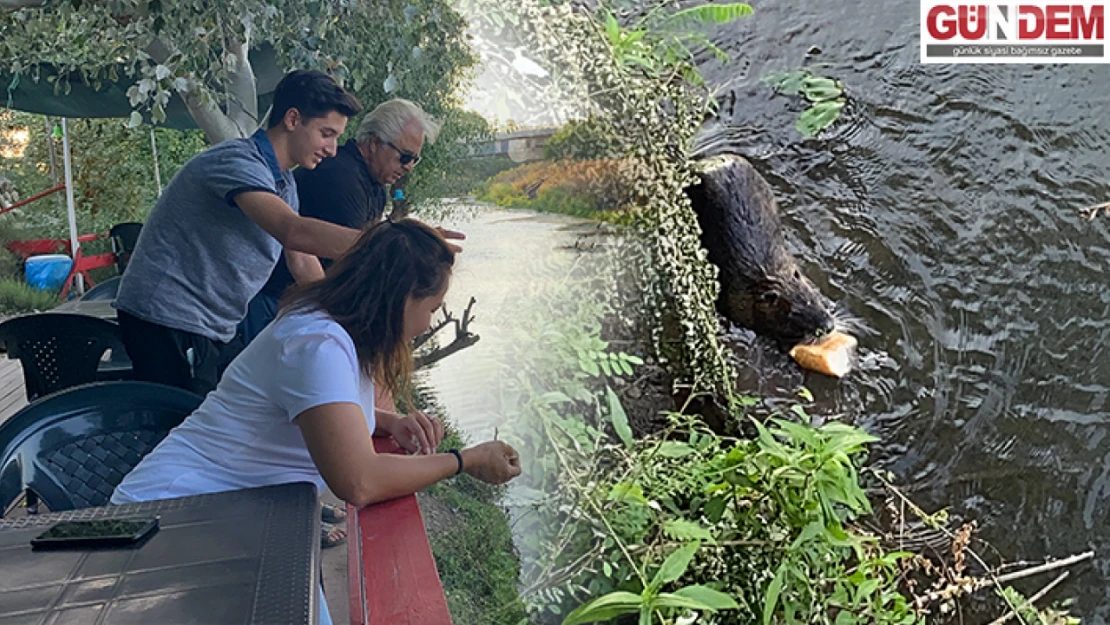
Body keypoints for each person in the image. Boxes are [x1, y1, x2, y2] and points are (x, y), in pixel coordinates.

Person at [111, 219, 523, 625]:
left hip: (232, 516)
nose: (428, 324)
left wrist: (386, 422)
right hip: (172, 518)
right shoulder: (318, 344)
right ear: (399, 299)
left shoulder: (333, 326)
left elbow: (314, 406)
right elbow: (360, 481)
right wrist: (465, 460)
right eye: (430, 308)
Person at [114, 69, 364, 397]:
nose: (332, 149)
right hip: (167, 317)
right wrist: (389, 244)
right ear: (292, 119)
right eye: (326, 133)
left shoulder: (284, 183)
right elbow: (292, 232)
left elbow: (302, 260)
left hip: (213, 325)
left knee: (235, 409)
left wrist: (339, 323)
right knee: (182, 429)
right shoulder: (237, 160)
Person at [240, 98, 445, 343]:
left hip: (301, 303)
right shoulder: (341, 178)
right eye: (405, 157)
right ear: (374, 143)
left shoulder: (374, 186)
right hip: (274, 303)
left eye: (415, 160)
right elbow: (361, 263)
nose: (409, 167)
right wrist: (411, 249)